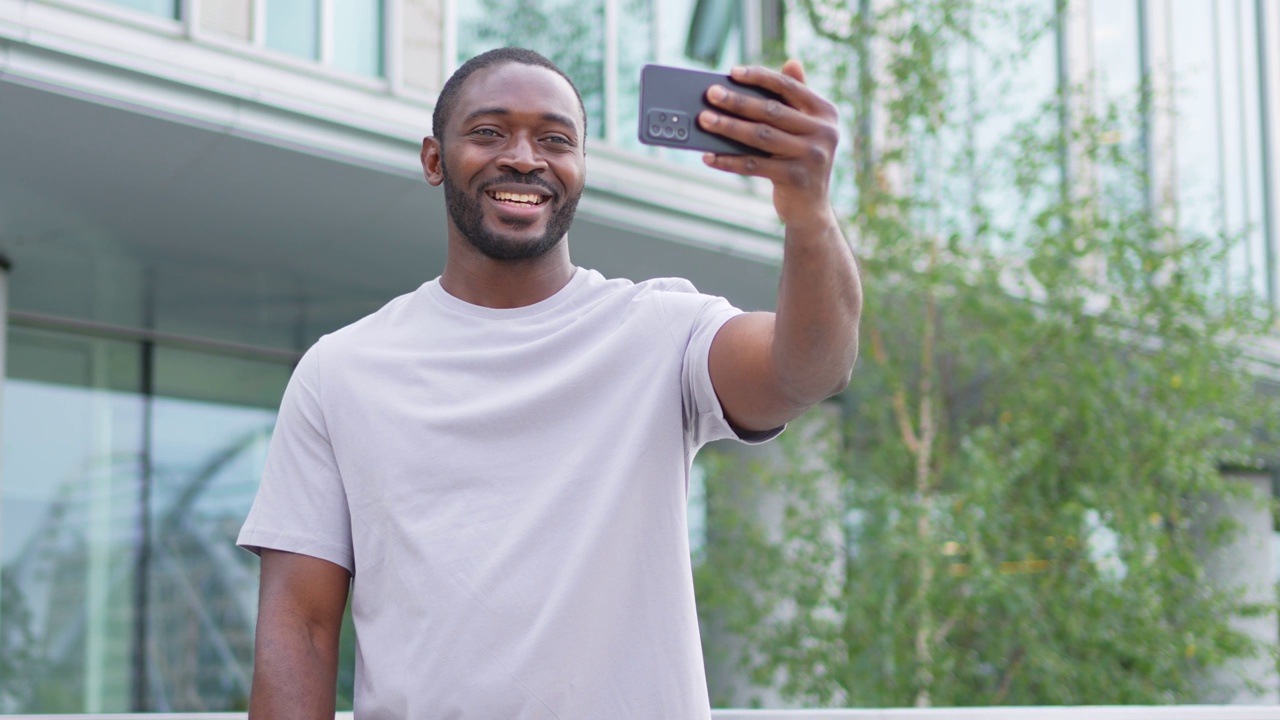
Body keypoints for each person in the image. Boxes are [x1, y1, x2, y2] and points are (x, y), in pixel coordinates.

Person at [237, 46, 861, 719]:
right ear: (433, 159)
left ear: (581, 167)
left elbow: (808, 369)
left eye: (556, 139)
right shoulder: (342, 370)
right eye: (488, 132)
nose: (525, 157)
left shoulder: (660, 331)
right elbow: (299, 627)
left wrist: (810, 217)